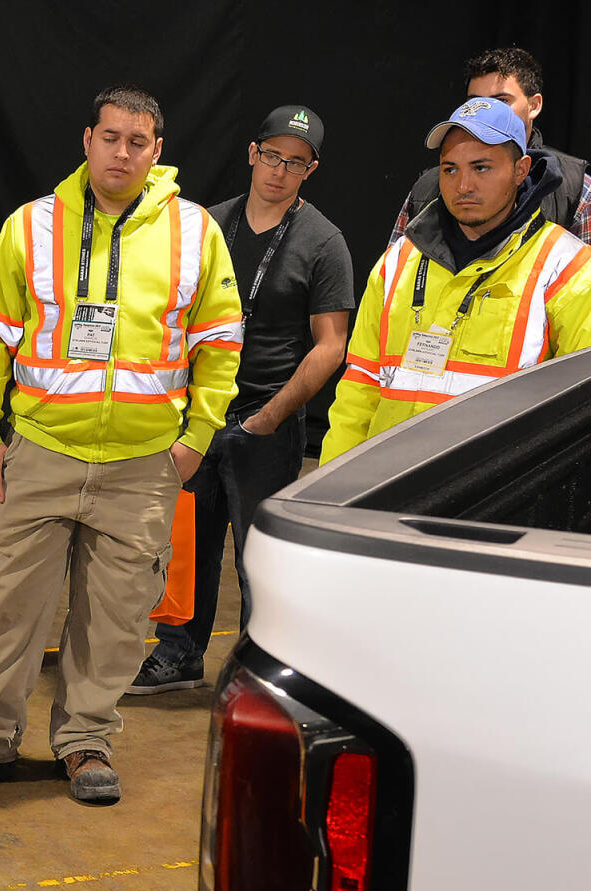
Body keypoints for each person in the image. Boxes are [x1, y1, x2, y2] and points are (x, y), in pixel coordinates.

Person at [0, 86, 241, 804]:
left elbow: (220, 341)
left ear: (158, 152)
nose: (122, 152)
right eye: (111, 137)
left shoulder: (193, 233)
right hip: (39, 452)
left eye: (138, 142)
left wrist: (196, 440)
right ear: (86, 139)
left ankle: (87, 741)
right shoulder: (30, 226)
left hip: (145, 464)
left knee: (116, 618)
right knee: (7, 605)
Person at [129, 106, 353, 695]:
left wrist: (273, 415)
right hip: (198, 415)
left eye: (296, 162)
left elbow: (331, 346)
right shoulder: (207, 224)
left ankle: (260, 670)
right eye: (272, 155)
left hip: (266, 424)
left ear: (312, 169)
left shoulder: (323, 241)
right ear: (252, 153)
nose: (280, 171)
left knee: (261, 560)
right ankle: (178, 655)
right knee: (186, 549)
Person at [323, 98, 591, 462]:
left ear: (521, 169)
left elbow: (578, 412)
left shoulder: (566, 267)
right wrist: (332, 492)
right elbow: (360, 387)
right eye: (450, 169)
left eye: (481, 168)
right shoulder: (398, 261)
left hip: (488, 503)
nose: (463, 185)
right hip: (383, 492)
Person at [390, 46, 589, 244]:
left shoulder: (575, 186)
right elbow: (397, 267)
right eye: (476, 103)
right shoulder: (427, 188)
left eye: (501, 101)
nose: (487, 112)